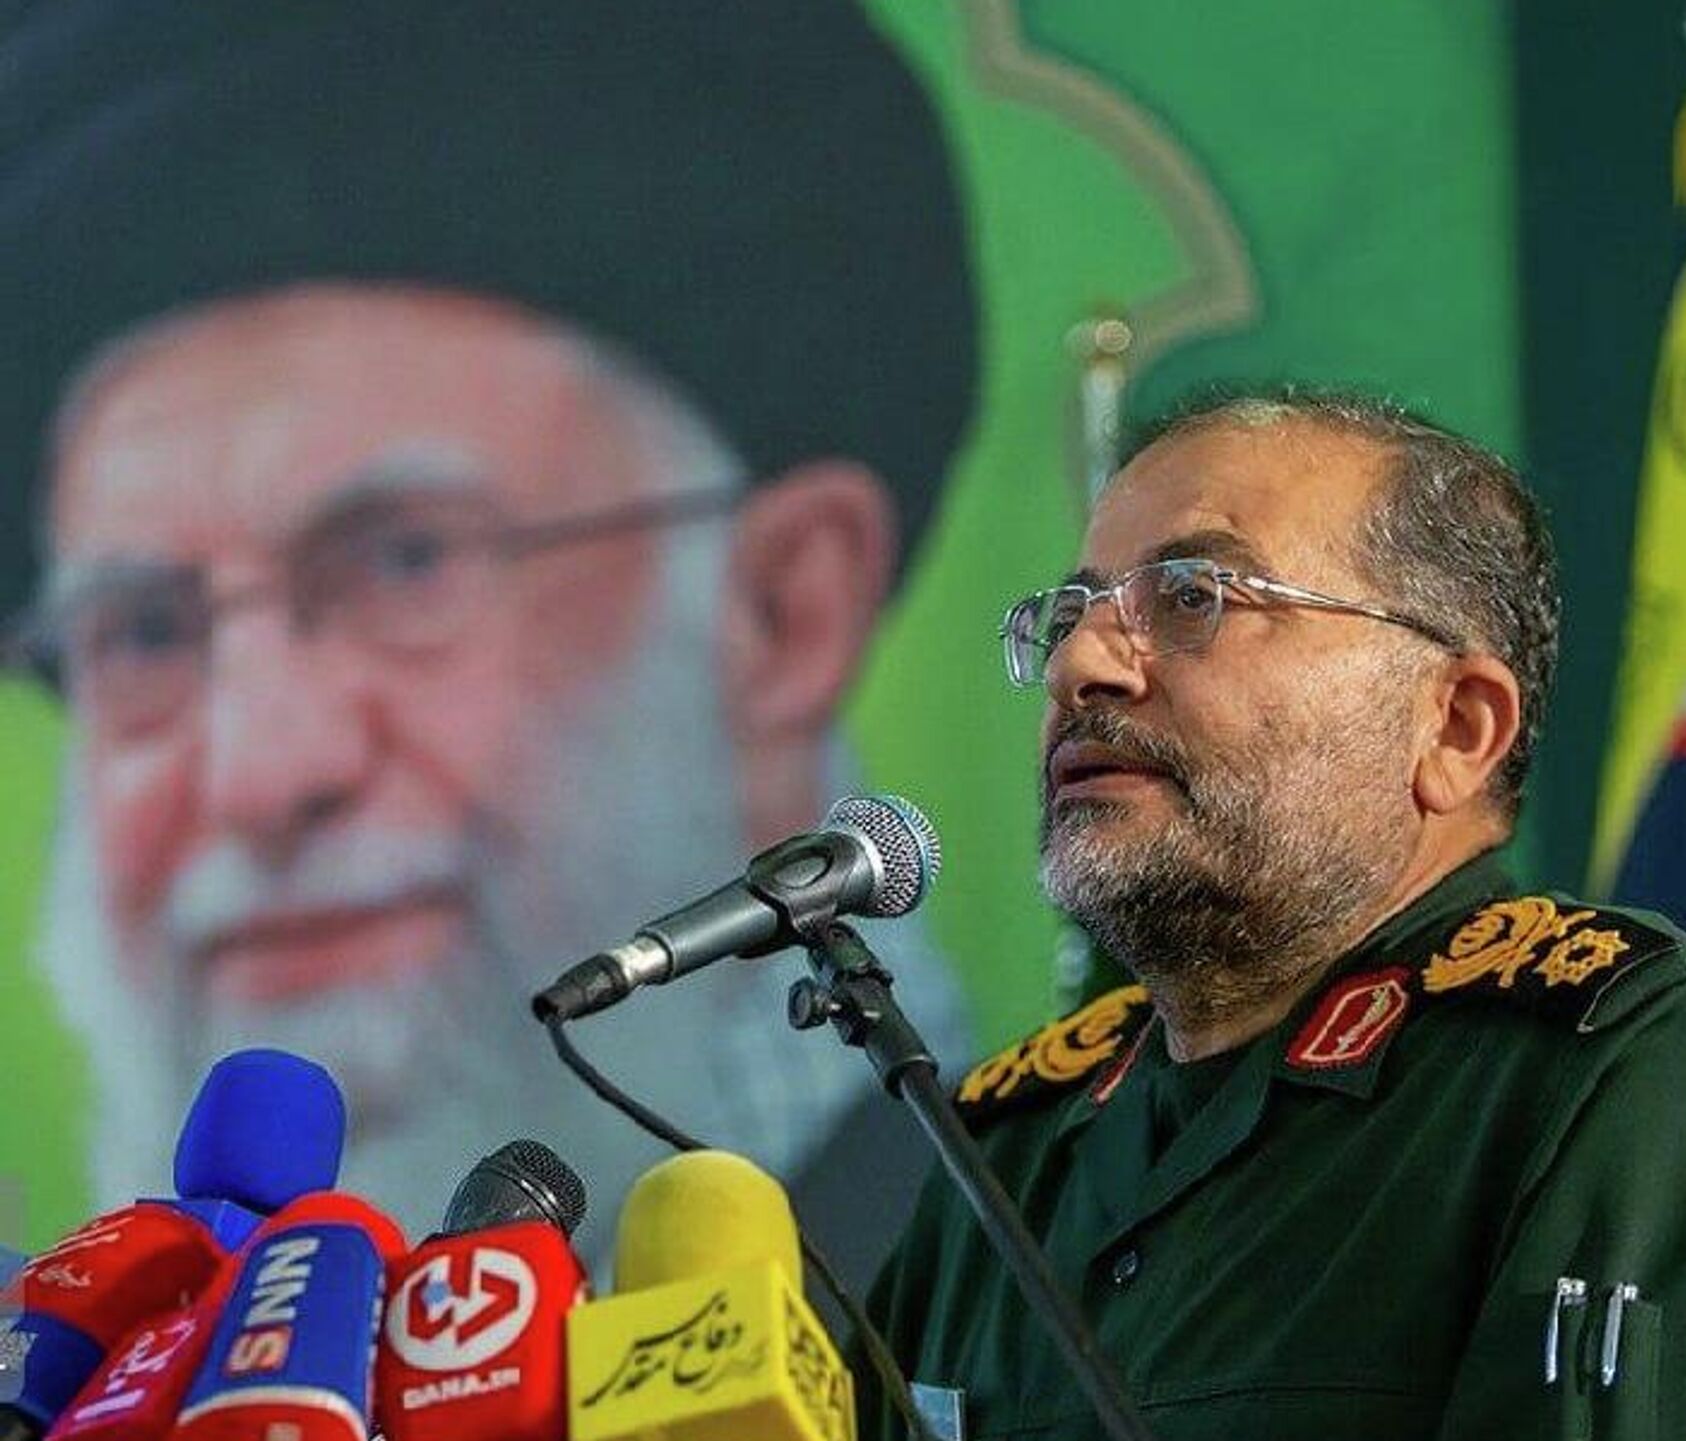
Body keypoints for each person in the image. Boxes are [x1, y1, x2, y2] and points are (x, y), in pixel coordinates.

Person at [0, 0, 975, 1266]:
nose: (260, 771)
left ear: (780, 610)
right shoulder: (94, 1353)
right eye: (141, 633)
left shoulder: (1022, 1272)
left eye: (404, 561)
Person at [859, 389, 1686, 1440]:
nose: (1079, 666)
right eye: (1070, 616)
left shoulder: (1598, 1060)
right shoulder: (1007, 1151)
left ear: (1456, 727)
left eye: (1193, 596)